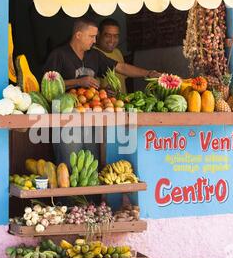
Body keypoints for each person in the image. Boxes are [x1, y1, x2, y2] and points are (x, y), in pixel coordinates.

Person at [42, 17, 160, 171]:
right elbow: (46, 85)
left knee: (91, 163)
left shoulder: (94, 56)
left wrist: (149, 73)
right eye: (91, 36)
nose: (95, 40)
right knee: (70, 163)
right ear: (78, 35)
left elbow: (121, 67)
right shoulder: (59, 55)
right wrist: (78, 82)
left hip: (91, 116)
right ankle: (69, 196)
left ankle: (91, 196)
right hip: (66, 118)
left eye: (96, 36)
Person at [93, 18, 127, 94]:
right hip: (103, 104)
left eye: (116, 36)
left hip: (123, 103)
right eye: (108, 35)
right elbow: (87, 89)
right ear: (98, 34)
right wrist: (102, 90)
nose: (112, 40)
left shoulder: (117, 52)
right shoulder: (91, 54)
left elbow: (123, 77)